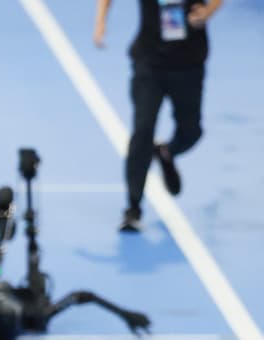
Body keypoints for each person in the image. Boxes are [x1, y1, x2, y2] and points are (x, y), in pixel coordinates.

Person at [94, 0, 223, 232]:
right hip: (149, 63)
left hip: (189, 65)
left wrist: (208, 12)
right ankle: (132, 209)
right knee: (143, 131)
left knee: (191, 132)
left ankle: (166, 152)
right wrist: (101, 22)